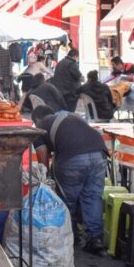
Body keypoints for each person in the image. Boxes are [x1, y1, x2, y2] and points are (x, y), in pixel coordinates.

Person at [30, 104, 106, 255]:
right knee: (93, 197)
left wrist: (44, 180)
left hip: (73, 157)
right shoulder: (70, 117)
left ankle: (71, 237)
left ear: (36, 119)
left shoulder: (40, 127)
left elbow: (43, 157)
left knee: (67, 199)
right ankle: (95, 239)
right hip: (99, 153)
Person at [49, 47, 83, 111]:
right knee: (70, 110)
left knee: (62, 109)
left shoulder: (60, 62)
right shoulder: (71, 64)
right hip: (69, 92)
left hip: (59, 90)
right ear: (75, 56)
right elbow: (78, 76)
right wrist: (82, 78)